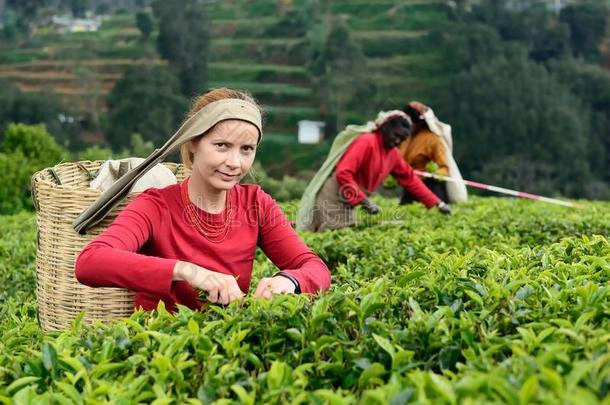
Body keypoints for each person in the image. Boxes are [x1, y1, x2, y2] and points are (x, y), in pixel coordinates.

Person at [75, 88, 330, 312]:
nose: (234, 163)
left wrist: (290, 281)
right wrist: (187, 271)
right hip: (160, 350)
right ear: (194, 143)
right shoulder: (155, 206)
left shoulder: (256, 204)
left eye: (246, 149)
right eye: (221, 145)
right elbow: (90, 262)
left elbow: (314, 267)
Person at [297, 110, 451, 232]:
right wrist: (364, 202)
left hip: (351, 197)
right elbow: (343, 172)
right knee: (333, 234)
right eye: (395, 135)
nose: (397, 141)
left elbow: (411, 180)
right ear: (385, 128)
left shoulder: (393, 154)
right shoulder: (367, 141)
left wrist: (438, 203)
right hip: (335, 194)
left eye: (402, 139)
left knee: (344, 232)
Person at [399, 101, 467, 204]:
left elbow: (444, 168)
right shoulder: (406, 138)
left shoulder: (433, 139)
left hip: (431, 189)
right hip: (410, 188)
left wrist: (434, 174)